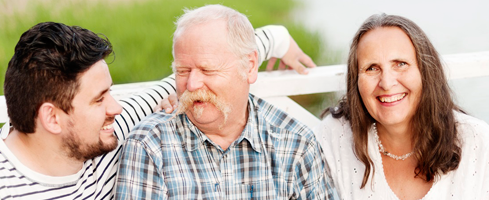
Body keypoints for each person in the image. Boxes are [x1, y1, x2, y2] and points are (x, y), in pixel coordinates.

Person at [0, 20, 313, 199]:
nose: (117, 108)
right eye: (99, 99)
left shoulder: (111, 132)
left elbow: (200, 70)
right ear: (52, 118)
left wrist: (277, 39)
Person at [115, 4, 338, 199]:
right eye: (182, 71)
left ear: (250, 66)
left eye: (207, 70)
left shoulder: (296, 144)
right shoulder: (149, 146)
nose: (191, 85)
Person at [314, 14, 489, 199]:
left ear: (425, 71)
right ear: (356, 81)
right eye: (372, 68)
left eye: (400, 64)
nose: (386, 82)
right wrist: (280, 43)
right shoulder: (334, 136)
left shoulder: (476, 141)